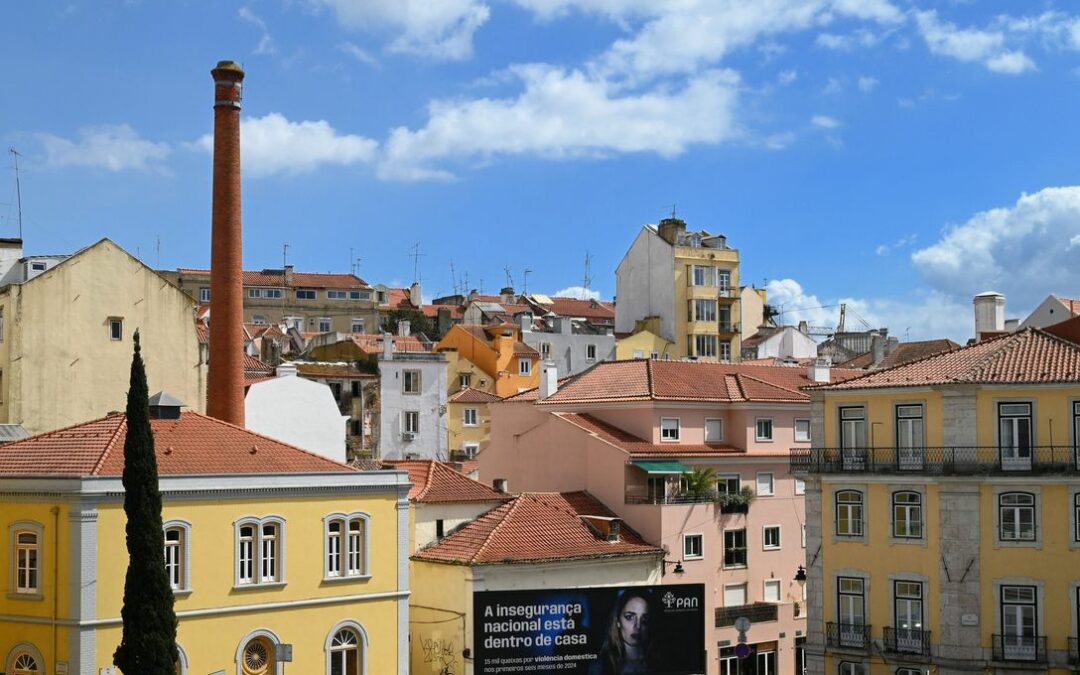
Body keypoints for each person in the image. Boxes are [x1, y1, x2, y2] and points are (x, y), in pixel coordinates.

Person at [592, 589, 658, 674]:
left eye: (644, 618)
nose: (637, 626)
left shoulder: (659, 663)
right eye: (629, 617)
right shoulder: (599, 667)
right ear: (618, 621)